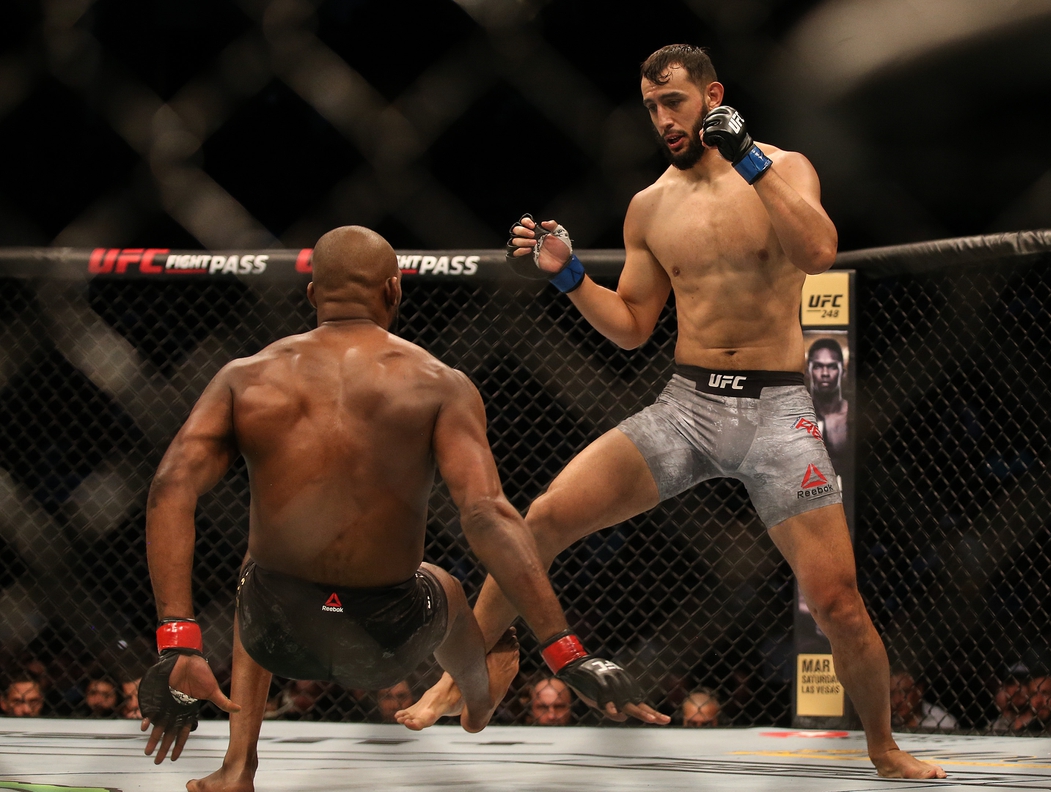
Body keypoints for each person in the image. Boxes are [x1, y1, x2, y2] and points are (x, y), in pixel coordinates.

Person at [409, 44, 945, 780]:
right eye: (652, 107)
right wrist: (567, 276)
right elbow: (631, 325)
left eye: (675, 102)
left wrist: (750, 159)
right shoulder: (649, 207)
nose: (663, 119)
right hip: (686, 408)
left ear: (712, 95)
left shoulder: (784, 168)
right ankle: (466, 674)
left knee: (838, 604)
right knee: (541, 518)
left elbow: (820, 250)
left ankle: (883, 747)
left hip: (777, 413)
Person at [138, 226, 665, 791]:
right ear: (394, 291)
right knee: (445, 581)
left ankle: (239, 767)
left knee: (259, 563)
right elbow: (486, 515)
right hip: (389, 634)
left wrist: (179, 638)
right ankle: (475, 694)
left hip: (276, 628)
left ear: (312, 295)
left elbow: (171, 485)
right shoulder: (439, 383)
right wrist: (566, 652)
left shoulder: (244, 377)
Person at [806, 338, 850, 460]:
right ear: (808, 372)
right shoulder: (799, 414)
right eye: (818, 366)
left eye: (832, 366)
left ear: (843, 372)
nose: (825, 373)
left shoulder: (853, 413)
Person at [889, 671, 957, 732]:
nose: (897, 700)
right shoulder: (884, 720)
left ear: (919, 690)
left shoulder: (942, 721)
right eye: (892, 693)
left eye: (905, 692)